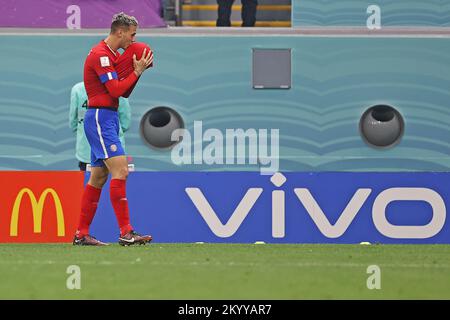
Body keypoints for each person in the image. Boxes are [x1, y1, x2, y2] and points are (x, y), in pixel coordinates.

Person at [73, 12, 153, 246]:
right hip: (100, 117)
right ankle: (126, 232)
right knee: (122, 171)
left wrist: (138, 72)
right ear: (120, 31)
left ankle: (81, 234)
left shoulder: (109, 55)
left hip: (105, 117)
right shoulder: (101, 55)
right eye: (132, 34)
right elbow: (117, 90)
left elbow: (123, 92)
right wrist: (136, 72)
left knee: (98, 178)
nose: (134, 39)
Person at [69, 81, 131, 171]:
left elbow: (73, 122)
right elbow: (125, 123)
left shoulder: (78, 89)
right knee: (115, 180)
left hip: (85, 150)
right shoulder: (119, 88)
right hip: (113, 149)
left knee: (90, 182)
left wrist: (86, 130)